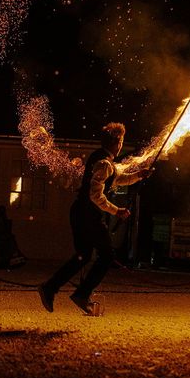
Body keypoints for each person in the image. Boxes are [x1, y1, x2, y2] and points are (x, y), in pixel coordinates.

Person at [38, 122, 151, 313]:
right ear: (117, 142)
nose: (122, 145)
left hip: (81, 212)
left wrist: (138, 175)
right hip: (87, 214)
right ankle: (81, 294)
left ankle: (50, 287)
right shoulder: (104, 163)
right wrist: (117, 211)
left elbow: (117, 179)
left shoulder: (103, 160)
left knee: (83, 256)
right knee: (106, 256)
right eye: (121, 141)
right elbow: (95, 195)